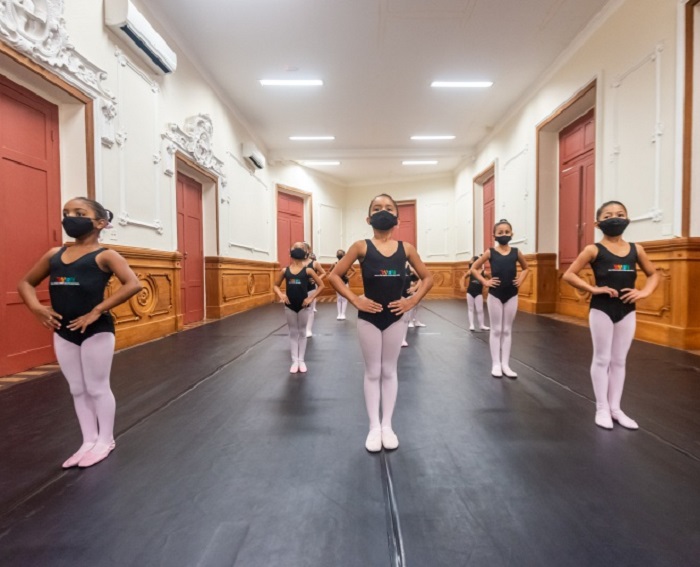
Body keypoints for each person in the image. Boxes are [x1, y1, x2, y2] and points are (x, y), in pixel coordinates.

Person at [17, 197, 142, 468]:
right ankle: (88, 440)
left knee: (97, 387)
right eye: (66, 212)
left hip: (96, 330)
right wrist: (37, 308)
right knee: (77, 388)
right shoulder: (54, 255)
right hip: (64, 331)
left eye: (79, 213)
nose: (70, 217)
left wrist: (97, 310)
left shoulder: (106, 256)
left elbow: (133, 284)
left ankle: (105, 440)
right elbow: (26, 283)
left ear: (100, 223)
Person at [328, 194, 433, 452]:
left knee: (389, 371)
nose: (382, 211)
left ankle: (387, 425)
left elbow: (428, 278)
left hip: (396, 317)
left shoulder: (406, 249)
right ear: (368, 218)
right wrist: (355, 300)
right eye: (377, 208)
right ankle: (374, 426)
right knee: (373, 371)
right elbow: (334, 276)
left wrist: (411, 301)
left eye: (388, 208)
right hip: (369, 318)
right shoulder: (360, 247)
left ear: (397, 218)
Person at [563, 201, 658, 430]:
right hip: (601, 310)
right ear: (598, 223)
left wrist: (643, 292)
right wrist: (593, 289)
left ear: (627, 219)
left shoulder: (636, 249)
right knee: (602, 358)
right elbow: (569, 274)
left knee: (619, 360)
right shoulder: (593, 250)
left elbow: (653, 274)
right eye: (608, 215)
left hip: (627, 311)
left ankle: (616, 408)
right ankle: (602, 408)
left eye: (620, 214)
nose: (615, 218)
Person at [470, 219, 529, 379]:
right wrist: (485, 282)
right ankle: (496, 364)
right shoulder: (490, 252)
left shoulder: (516, 252)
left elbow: (526, 268)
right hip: (495, 294)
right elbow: (474, 268)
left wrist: (521, 280)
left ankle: (506, 364)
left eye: (507, 232)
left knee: (507, 330)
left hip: (512, 294)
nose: (504, 234)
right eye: (500, 232)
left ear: (512, 234)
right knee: (496, 330)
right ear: (494, 235)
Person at [273, 242, 324, 373]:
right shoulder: (285, 271)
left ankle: (301, 360)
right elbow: (275, 285)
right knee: (293, 332)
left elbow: (321, 285)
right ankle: (294, 360)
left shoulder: (308, 270)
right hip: (290, 305)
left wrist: (311, 298)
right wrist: (281, 295)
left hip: (303, 305)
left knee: (302, 332)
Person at [302, 244, 326, 337]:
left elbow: (323, 273)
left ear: (308, 250)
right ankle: (302, 328)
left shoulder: (314, 263)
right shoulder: (297, 263)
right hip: (300, 289)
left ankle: (308, 329)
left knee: (310, 309)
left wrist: (317, 279)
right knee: (300, 309)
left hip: (311, 288)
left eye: (304, 249)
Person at [461, 255, 490, 331]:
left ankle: (481, 325)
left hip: (478, 293)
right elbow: (463, 277)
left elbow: (491, 279)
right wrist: (462, 286)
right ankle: (471, 325)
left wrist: (488, 288)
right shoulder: (471, 271)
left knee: (480, 309)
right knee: (470, 309)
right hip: (470, 292)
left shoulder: (484, 273)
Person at [330, 249, 356, 320]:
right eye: (338, 253)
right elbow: (329, 272)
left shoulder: (347, 263)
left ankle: (343, 314)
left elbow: (354, 271)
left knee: (344, 298)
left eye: (341, 253)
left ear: (344, 255)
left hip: (345, 282)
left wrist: (349, 276)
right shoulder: (334, 264)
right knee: (339, 298)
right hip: (337, 282)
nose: (339, 254)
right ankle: (339, 313)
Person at [405, 264, 426, 328]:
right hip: (406, 290)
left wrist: (415, 288)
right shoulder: (400, 268)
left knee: (417, 306)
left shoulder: (412, 268)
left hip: (414, 290)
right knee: (411, 307)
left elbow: (422, 278)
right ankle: (410, 321)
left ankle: (417, 321)